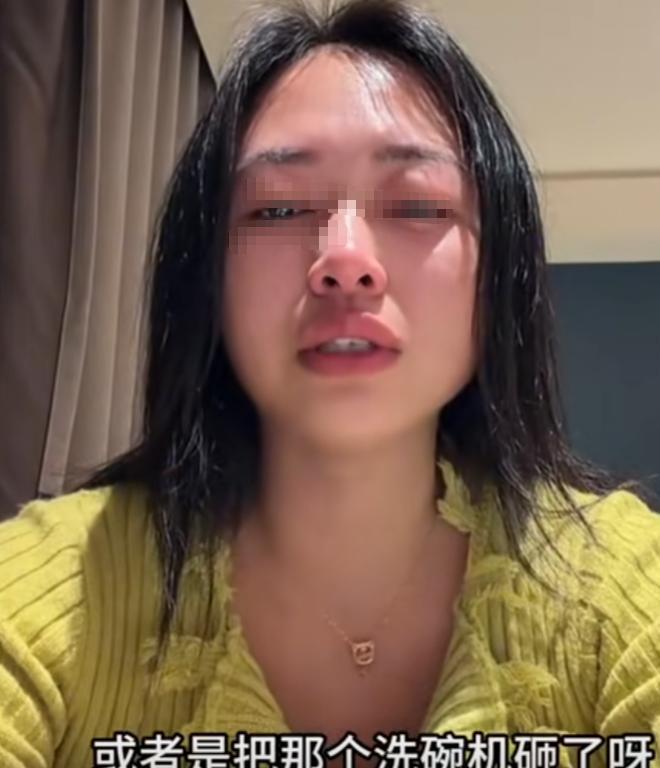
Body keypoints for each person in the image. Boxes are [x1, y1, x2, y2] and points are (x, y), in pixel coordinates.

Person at [1, 1, 659, 766]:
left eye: (418, 205)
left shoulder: (620, 583)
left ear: (498, 275)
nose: (345, 260)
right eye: (278, 207)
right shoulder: (54, 584)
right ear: (204, 275)